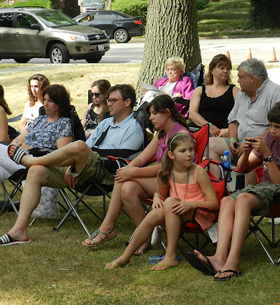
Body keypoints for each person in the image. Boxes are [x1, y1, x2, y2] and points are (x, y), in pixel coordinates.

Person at [0, 84, 144, 245]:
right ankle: (19, 230)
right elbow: (88, 148)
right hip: (81, 169)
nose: (109, 103)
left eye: (113, 100)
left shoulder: (133, 128)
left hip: (105, 174)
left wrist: (82, 156)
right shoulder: (106, 123)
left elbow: (122, 159)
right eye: (109, 100)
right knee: (36, 171)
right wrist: (72, 165)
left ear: (127, 102)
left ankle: (31, 160)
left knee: (79, 145)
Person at [189, 101, 280, 280]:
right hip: (264, 189)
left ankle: (233, 262)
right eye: (270, 126)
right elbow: (243, 168)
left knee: (244, 199)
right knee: (227, 200)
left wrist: (267, 155)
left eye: (277, 127)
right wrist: (244, 153)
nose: (272, 130)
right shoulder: (270, 138)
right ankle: (219, 258)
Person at [81, 94, 196, 254]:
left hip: (178, 182)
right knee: (127, 188)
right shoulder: (162, 134)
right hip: (163, 179)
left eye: (155, 113)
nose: (151, 118)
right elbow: (142, 158)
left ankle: (107, 228)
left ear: (167, 113)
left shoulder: (180, 135)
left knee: (123, 179)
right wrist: (130, 169)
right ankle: (144, 236)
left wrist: (133, 172)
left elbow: (167, 167)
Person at [104, 134, 218, 271]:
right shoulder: (166, 172)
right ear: (171, 155)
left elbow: (214, 203)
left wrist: (190, 204)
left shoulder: (198, 172)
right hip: (175, 212)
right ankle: (126, 256)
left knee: (170, 201)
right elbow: (159, 193)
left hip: (199, 213)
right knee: (154, 214)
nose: (189, 154)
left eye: (191, 150)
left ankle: (170, 256)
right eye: (183, 151)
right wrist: (157, 198)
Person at [0, 84, 73, 232]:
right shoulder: (39, 120)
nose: (45, 104)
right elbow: (17, 140)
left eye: (50, 101)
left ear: (59, 103)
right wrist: (18, 144)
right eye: (45, 100)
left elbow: (61, 153)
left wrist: (27, 148)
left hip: (35, 162)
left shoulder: (63, 124)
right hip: (17, 159)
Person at [208, 58, 280, 178]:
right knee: (210, 144)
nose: (238, 81)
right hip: (240, 145)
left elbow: (277, 128)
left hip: (262, 148)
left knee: (249, 164)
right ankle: (219, 186)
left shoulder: (276, 93)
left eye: (240, 77)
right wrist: (232, 141)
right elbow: (233, 121)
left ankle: (245, 192)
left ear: (251, 78)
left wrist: (250, 145)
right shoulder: (242, 93)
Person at [189, 54, 239, 137]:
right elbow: (192, 114)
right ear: (212, 70)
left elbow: (242, 115)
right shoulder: (200, 90)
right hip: (199, 130)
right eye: (221, 68)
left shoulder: (234, 91)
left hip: (222, 133)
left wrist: (229, 130)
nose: (225, 71)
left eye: (228, 69)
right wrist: (209, 126)